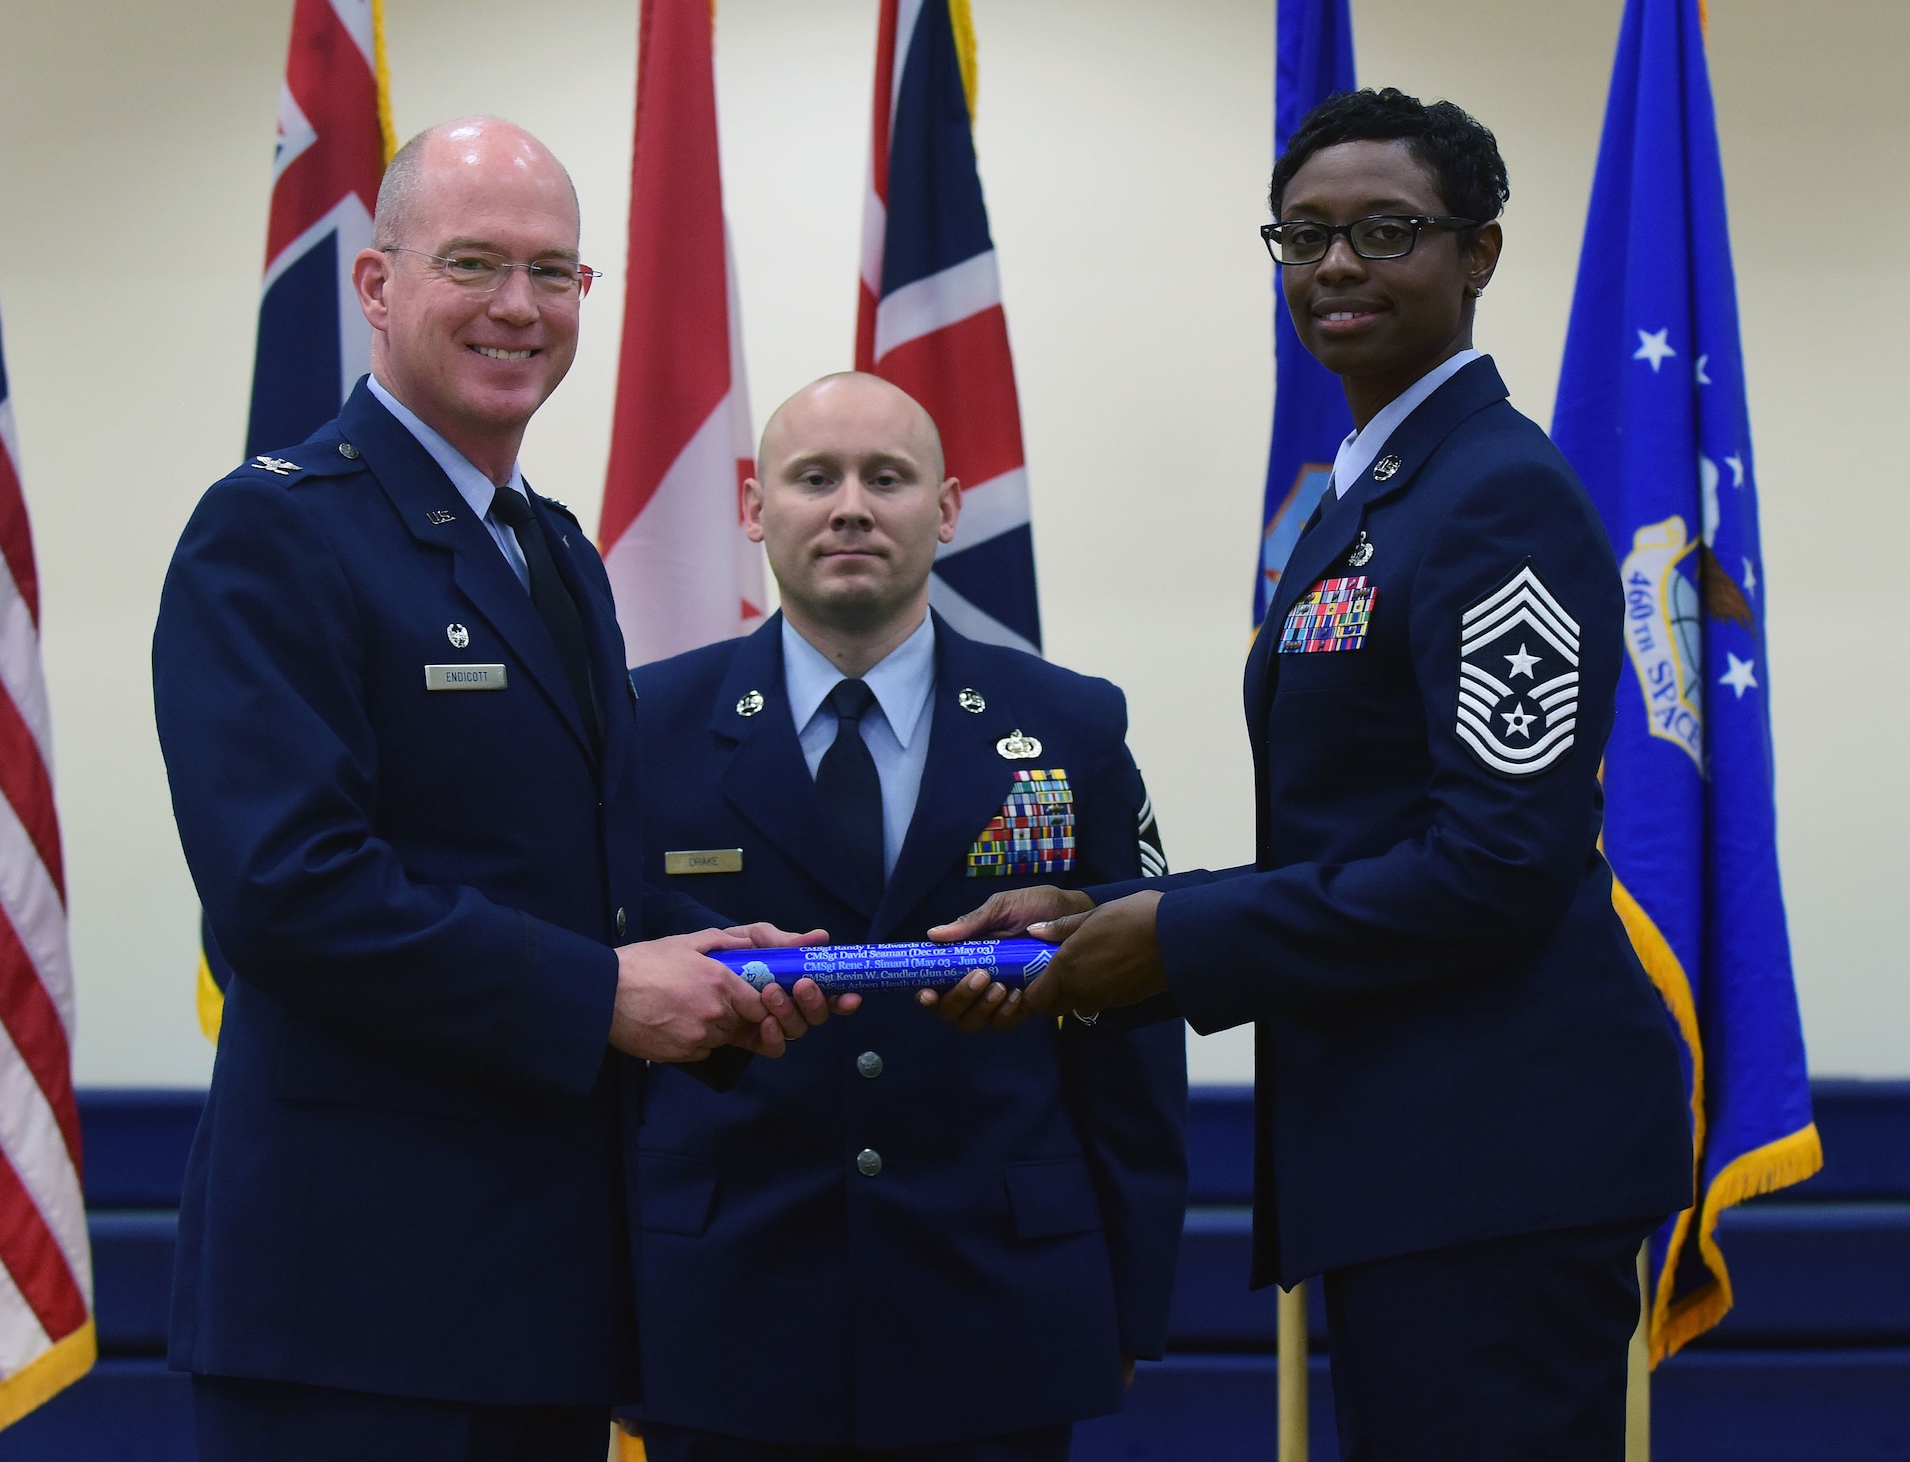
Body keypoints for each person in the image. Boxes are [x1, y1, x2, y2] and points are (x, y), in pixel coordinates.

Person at [931, 90, 1694, 1459]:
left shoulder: (1492, 494)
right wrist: (1106, 912)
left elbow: (1498, 862)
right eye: (1305, 235)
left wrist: (1172, 940)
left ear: (1482, 253)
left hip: (1495, 1155)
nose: (1337, 266)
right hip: (1415, 1149)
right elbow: (1367, 829)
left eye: (1387, 231)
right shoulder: (1372, 491)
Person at [151, 118, 849, 1462]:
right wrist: (604, 992)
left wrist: (700, 976)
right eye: (474, 263)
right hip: (352, 1302)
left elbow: (564, 879)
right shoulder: (275, 532)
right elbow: (287, 892)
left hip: (542, 1290)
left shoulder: (553, 552)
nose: (519, 307)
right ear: (377, 284)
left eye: (555, 271)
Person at [623, 372, 1189, 1462]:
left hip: (1000, 1304)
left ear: (946, 508)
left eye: (886, 478)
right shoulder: (646, 726)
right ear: (752, 507)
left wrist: (1128, 1287)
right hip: (718, 1308)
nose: (849, 507)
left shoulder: (1069, 723)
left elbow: (1130, 1022)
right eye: (812, 478)